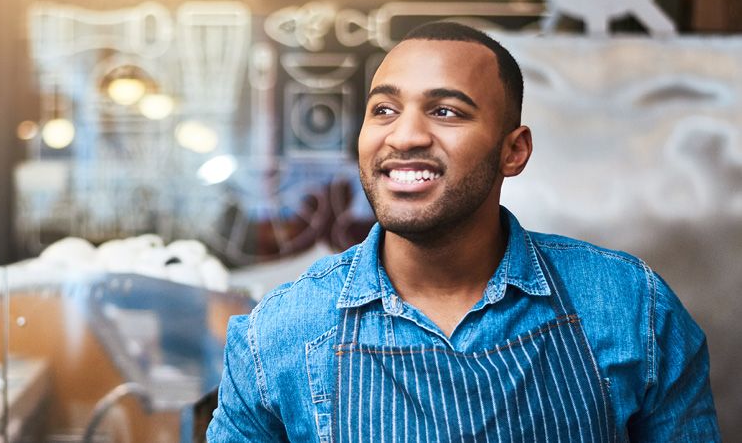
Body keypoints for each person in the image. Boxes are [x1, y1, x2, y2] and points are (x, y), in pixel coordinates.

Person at [207, 22, 720, 442]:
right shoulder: (273, 335)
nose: (405, 135)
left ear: (513, 151)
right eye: (383, 109)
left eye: (446, 111)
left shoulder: (632, 307)